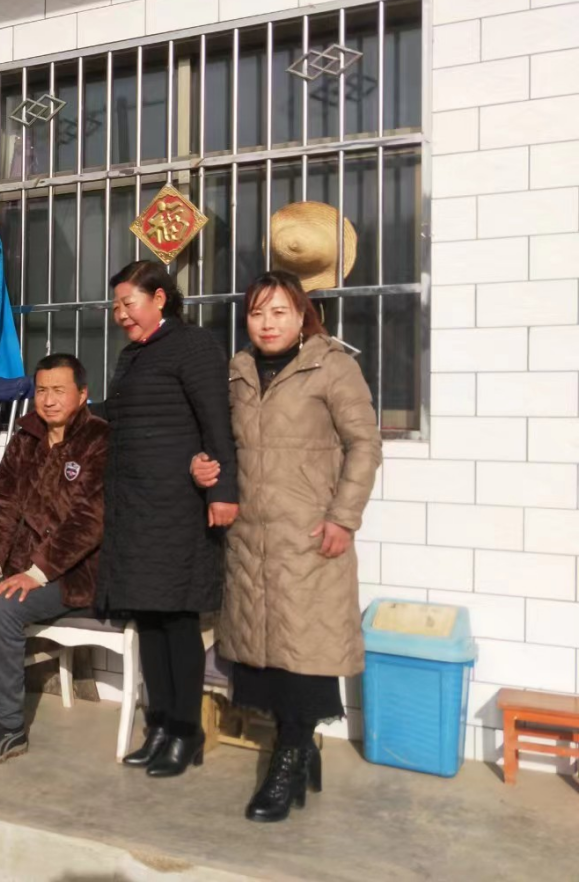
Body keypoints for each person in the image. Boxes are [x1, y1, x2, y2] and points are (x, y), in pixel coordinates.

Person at [191, 270, 382, 823]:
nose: (267, 324)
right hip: (250, 539)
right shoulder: (238, 370)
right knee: (266, 659)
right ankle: (302, 755)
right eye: (257, 313)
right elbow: (220, 443)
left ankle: (288, 758)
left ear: (302, 316)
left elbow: (365, 445)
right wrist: (202, 467)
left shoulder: (333, 365)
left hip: (309, 537)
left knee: (304, 656)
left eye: (279, 312)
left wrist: (343, 518)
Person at [97, 260, 239, 778]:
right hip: (136, 509)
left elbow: (216, 422)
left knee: (178, 620)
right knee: (148, 618)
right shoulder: (133, 354)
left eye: (128, 303)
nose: (120, 314)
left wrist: (223, 490)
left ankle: (186, 730)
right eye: (116, 306)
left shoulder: (193, 346)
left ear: (159, 298)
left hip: (178, 507)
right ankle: (158, 726)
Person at [0, 353, 107, 766]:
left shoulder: (100, 439)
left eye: (59, 390)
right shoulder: (25, 437)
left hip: (77, 575)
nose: (48, 400)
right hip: (21, 570)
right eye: (42, 390)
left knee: (6, 605)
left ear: (82, 394)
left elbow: (90, 519)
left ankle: (9, 725)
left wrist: (38, 572)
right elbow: (2, 505)